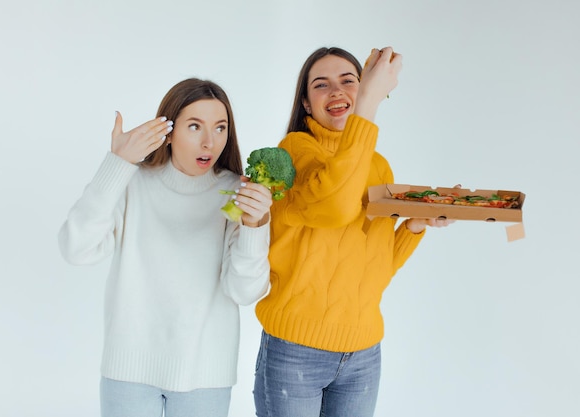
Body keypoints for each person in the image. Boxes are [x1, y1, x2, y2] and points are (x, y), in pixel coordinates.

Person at [253, 46, 454, 417]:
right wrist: (369, 106)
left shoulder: (378, 165)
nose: (337, 92)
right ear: (307, 104)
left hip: (363, 351)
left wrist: (412, 227)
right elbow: (335, 206)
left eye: (349, 81)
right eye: (322, 85)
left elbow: (375, 267)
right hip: (296, 348)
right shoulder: (295, 151)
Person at [58, 78, 273, 417]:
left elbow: (244, 291)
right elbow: (77, 248)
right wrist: (116, 165)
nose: (209, 141)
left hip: (206, 375)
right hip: (128, 370)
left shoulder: (241, 194)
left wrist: (254, 226)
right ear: (168, 132)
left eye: (220, 128)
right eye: (194, 126)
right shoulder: (132, 182)